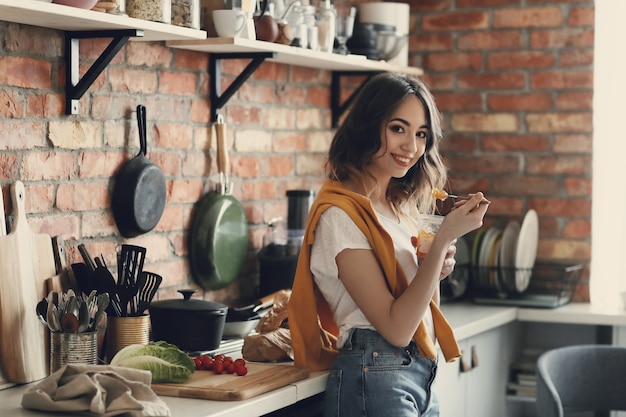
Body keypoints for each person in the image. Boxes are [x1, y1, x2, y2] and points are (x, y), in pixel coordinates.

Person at [287, 72, 490, 417]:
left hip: (417, 374)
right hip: (375, 373)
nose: (411, 146)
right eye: (398, 128)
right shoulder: (341, 215)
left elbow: (420, 310)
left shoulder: (399, 208)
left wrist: (434, 265)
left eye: (421, 134)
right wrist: (443, 239)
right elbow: (396, 329)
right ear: (369, 126)